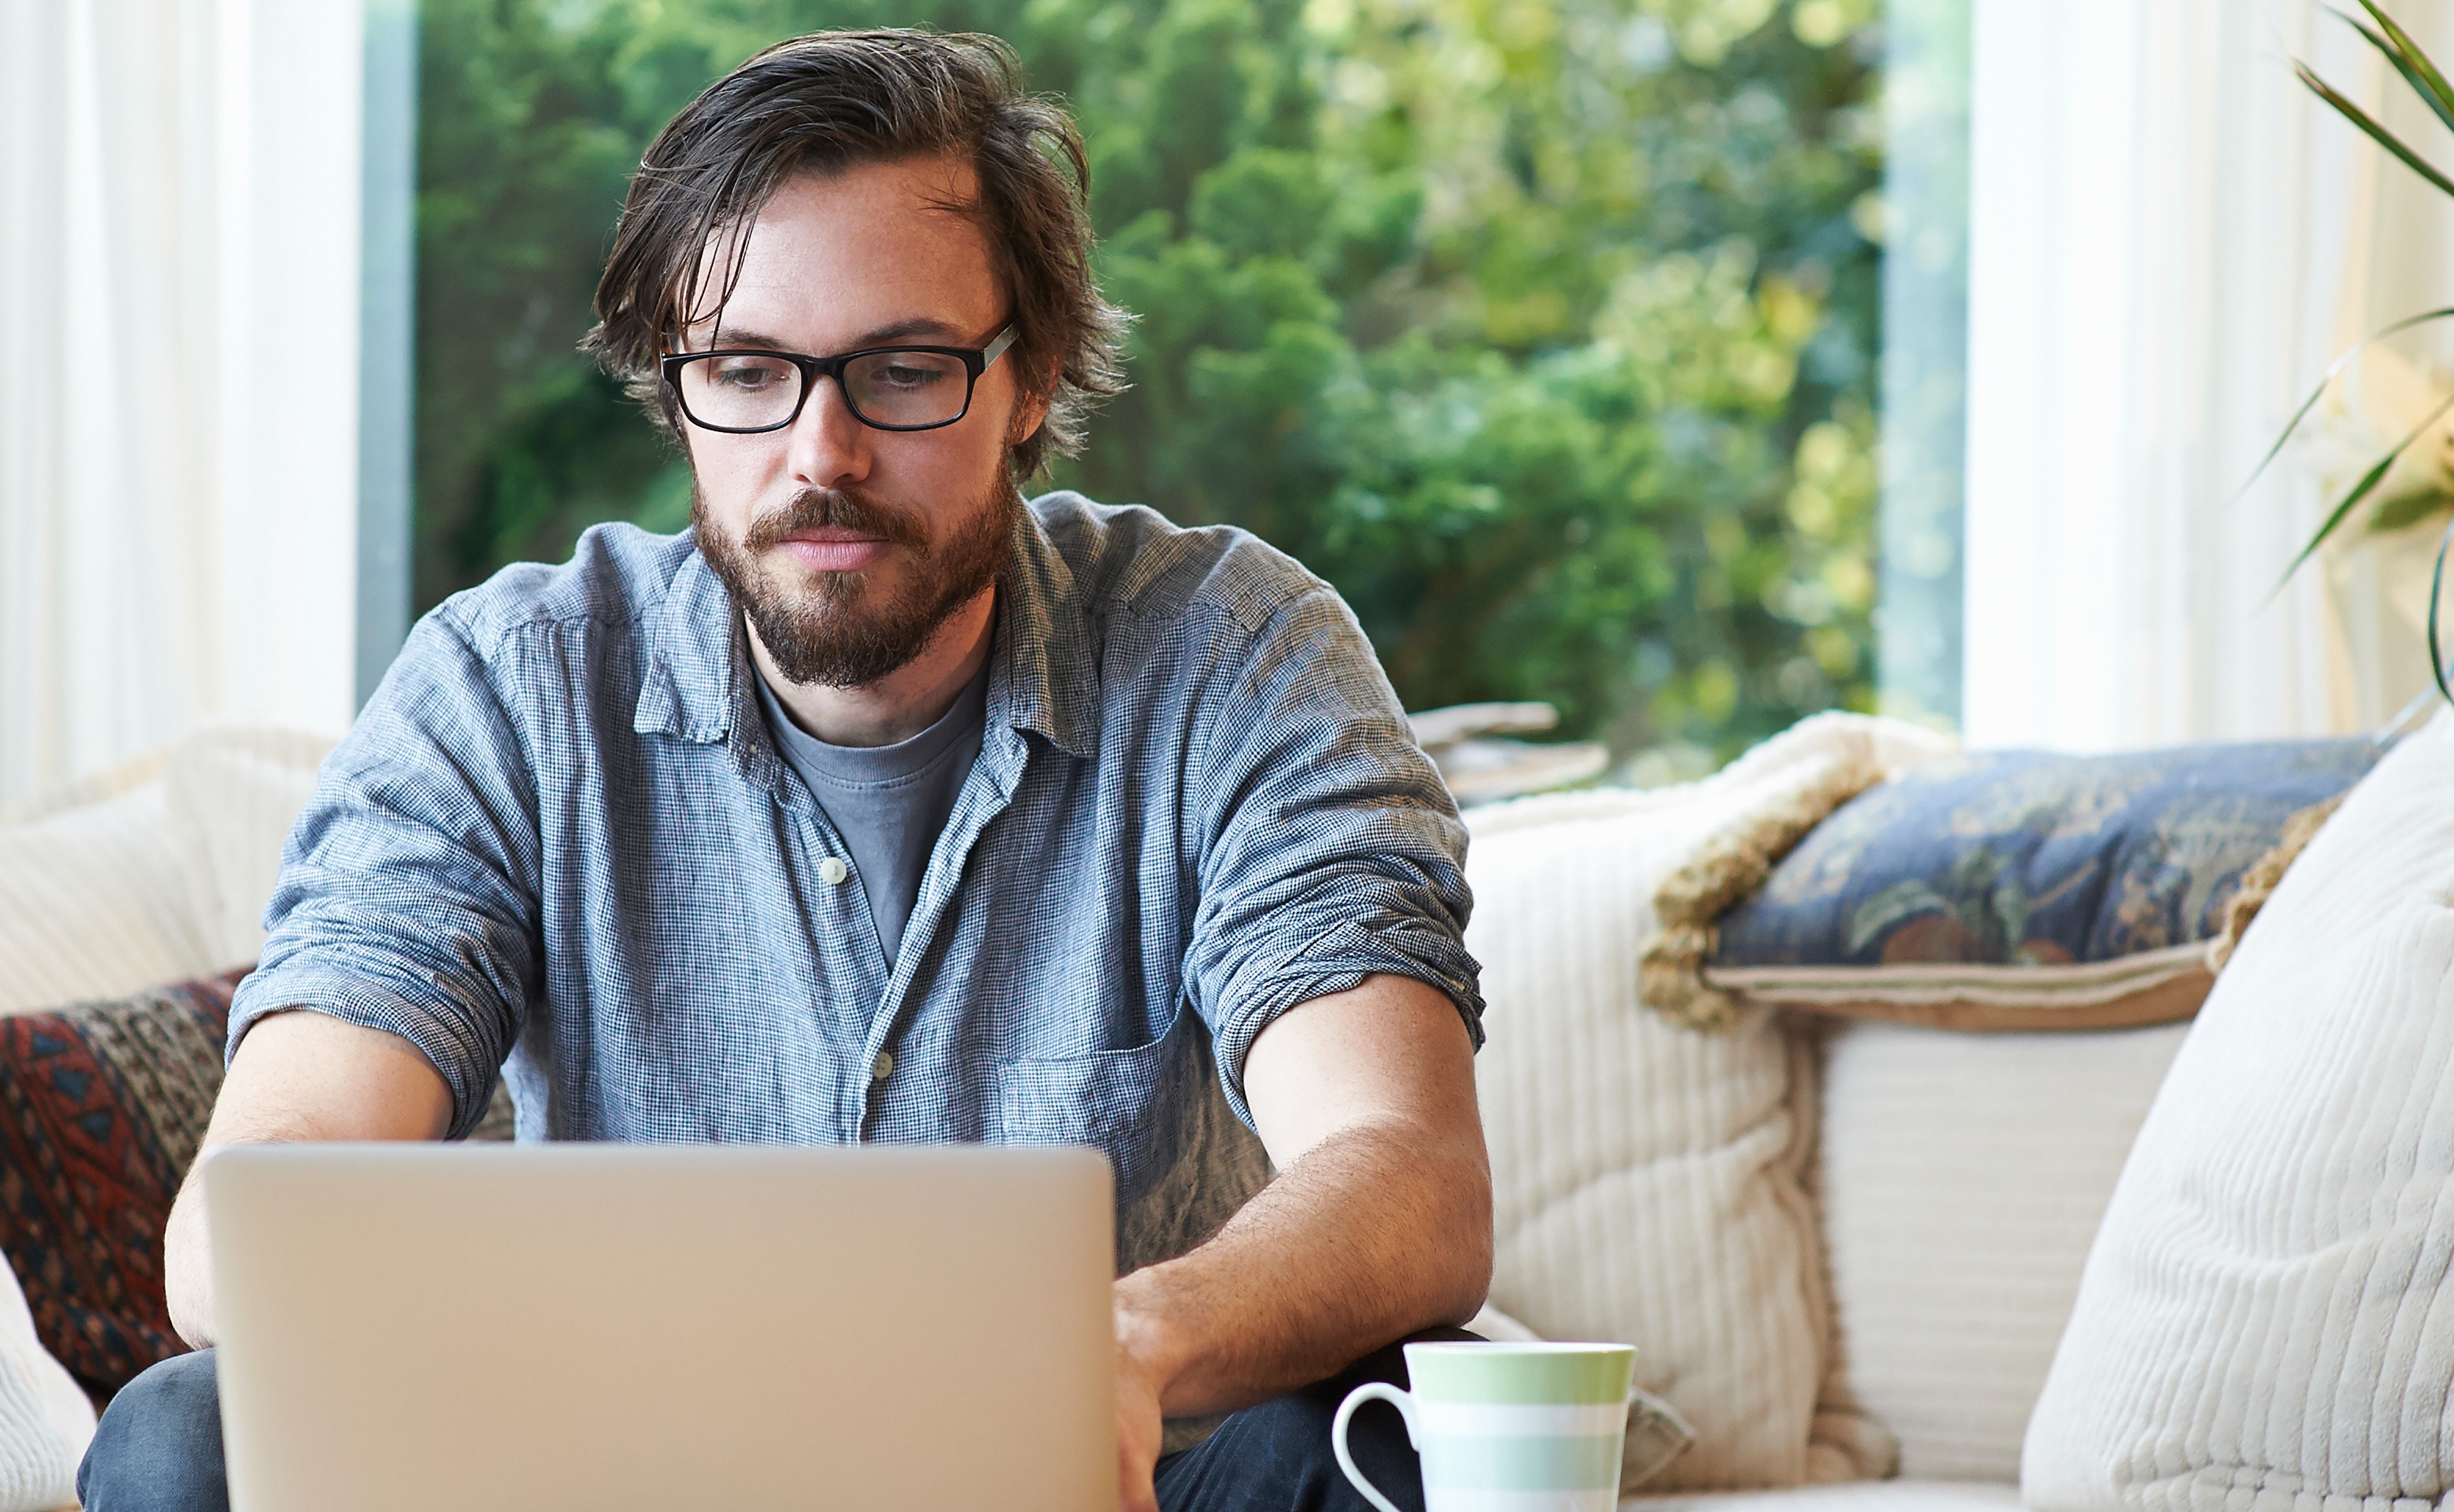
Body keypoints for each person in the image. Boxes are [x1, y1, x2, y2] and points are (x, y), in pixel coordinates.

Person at [78, 28, 1491, 1512]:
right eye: (746, 371)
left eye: (900, 370)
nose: (820, 450)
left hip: (1118, 1476)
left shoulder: (1231, 651)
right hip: (610, 1482)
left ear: (1030, 380)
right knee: (187, 1435)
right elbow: (256, 1212)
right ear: (676, 391)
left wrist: (1120, 1349)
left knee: (1392, 1427)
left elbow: (1404, 1170)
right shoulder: (506, 687)